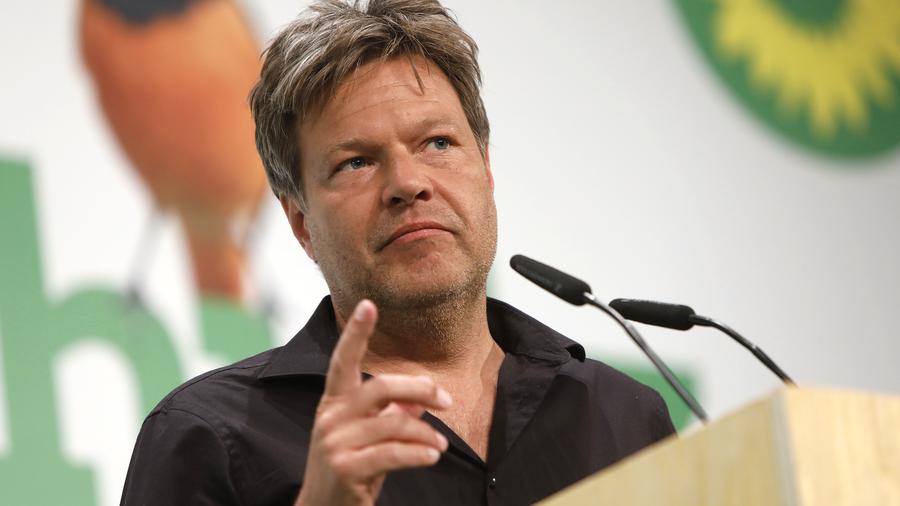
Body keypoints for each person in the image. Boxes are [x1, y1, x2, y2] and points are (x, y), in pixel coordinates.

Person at [120, 1, 676, 504]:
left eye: (437, 142)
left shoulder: (621, 416)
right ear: (301, 224)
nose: (408, 183)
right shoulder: (206, 436)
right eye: (356, 162)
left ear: (486, 170)